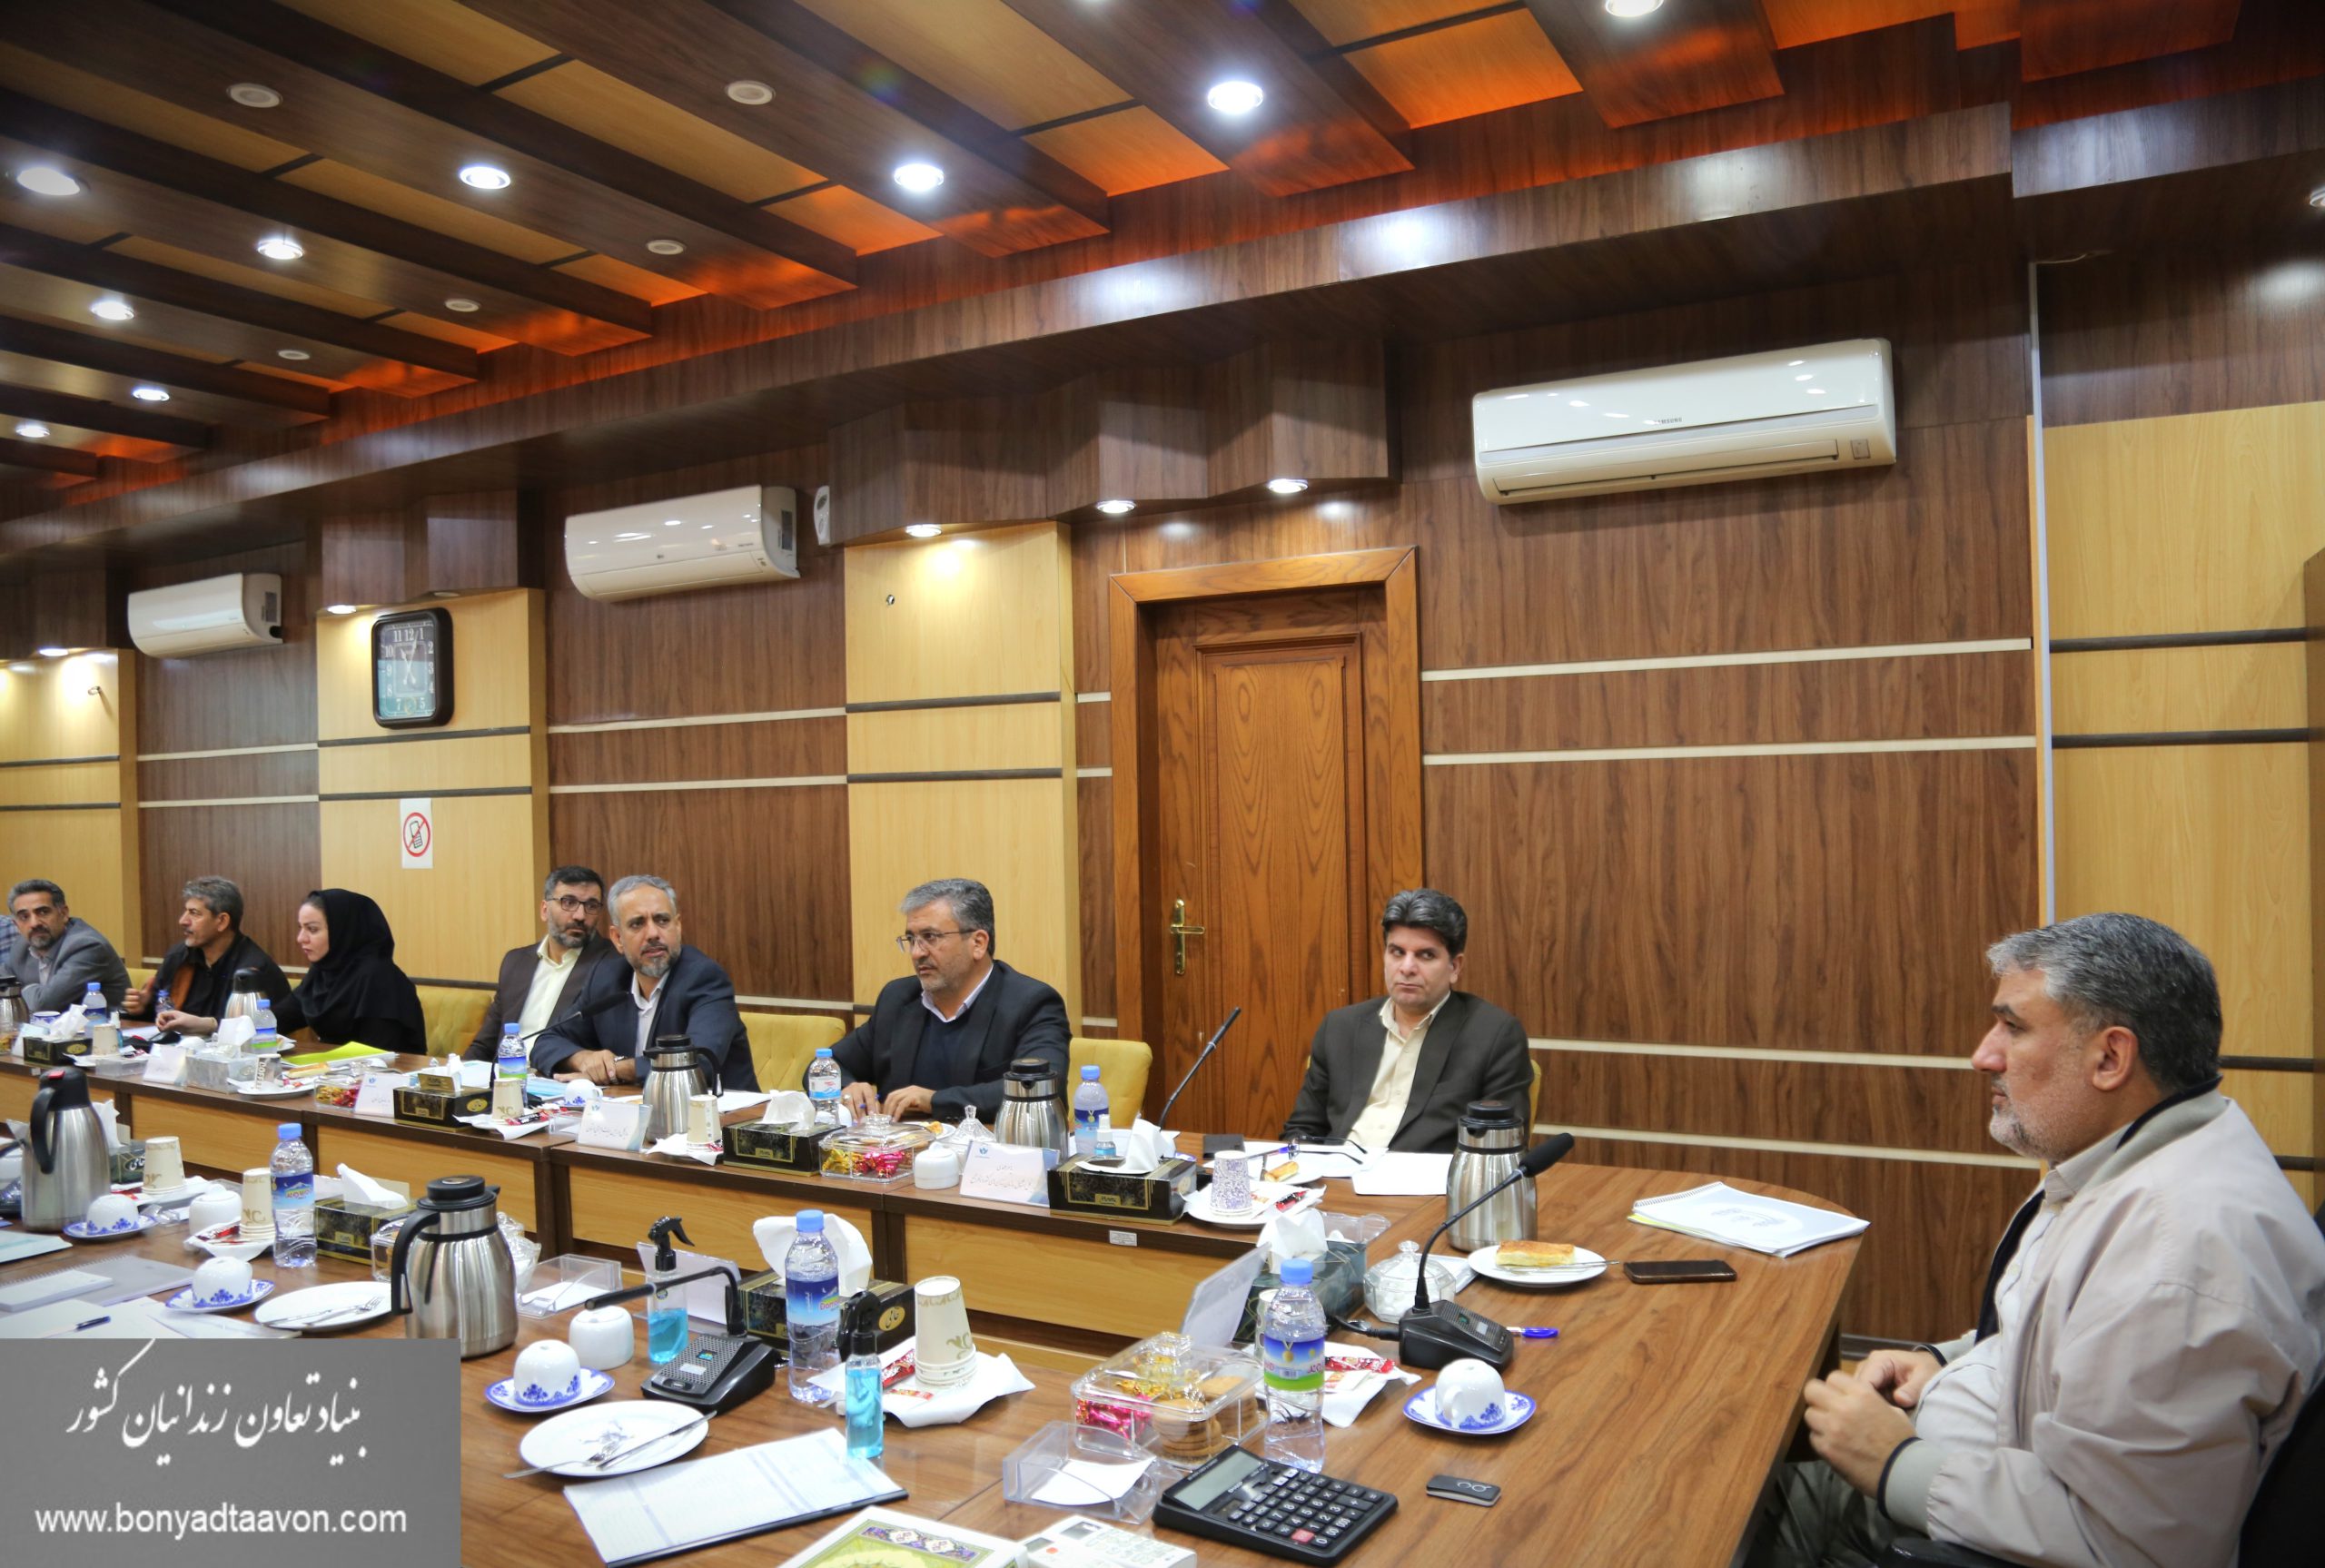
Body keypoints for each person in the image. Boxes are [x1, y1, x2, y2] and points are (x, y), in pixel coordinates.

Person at [1754, 912, 2325, 1568]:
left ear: (2110, 1057)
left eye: (2013, 1027)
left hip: (1961, 1529)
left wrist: (1893, 1465)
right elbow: (2070, 1328)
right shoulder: (2138, 1152)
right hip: (1973, 1475)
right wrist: (1947, 1362)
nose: (1983, 1055)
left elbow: (2129, 1543)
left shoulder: (2176, 1259)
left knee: (1714, 1515)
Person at [1281, 889, 1530, 1154]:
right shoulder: (1340, 1027)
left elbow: (1500, 1148)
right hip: (1336, 1174)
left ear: (1455, 967)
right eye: (1397, 952)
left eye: (1426, 955)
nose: (1407, 968)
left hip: (1426, 1179)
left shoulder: (1493, 1035)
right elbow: (1302, 1129)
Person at [826, 877, 1068, 1121]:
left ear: (978, 943)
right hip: (900, 1145)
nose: (917, 953)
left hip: (987, 1144)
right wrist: (848, 1088)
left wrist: (933, 1101)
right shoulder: (897, 999)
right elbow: (826, 1065)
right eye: (911, 939)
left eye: (930, 937)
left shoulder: (1031, 1003)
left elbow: (1040, 1086)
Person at [532, 873, 755, 1090]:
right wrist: (584, 1059)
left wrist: (614, 1069)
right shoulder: (606, 978)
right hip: (633, 1109)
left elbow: (698, 1061)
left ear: (677, 927)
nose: (653, 933)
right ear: (618, 938)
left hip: (723, 1111)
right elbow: (547, 1041)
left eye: (662, 920)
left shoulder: (704, 977)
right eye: (637, 924)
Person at [460, 865, 618, 1062]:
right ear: (545, 910)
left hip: (559, 1077)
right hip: (506, 1075)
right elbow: (486, 1044)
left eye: (591, 906)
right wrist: (459, 1075)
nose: (580, 915)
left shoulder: (612, 966)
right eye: (568, 902)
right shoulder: (516, 962)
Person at [124, 876, 291, 1031]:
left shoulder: (254, 969)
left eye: (194, 913)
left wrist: (205, 1025)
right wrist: (143, 1007)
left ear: (222, 921)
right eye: (185, 911)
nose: (182, 921)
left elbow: (259, 1028)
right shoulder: (178, 957)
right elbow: (162, 1017)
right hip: (176, 1048)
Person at [272, 889, 427, 1054]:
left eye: (312, 929)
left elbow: (376, 1053)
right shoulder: (323, 972)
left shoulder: (379, 977)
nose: (301, 938)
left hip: (389, 1068)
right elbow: (281, 1018)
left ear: (342, 930)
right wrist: (253, 1028)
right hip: (337, 1066)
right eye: (301, 928)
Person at [5, 877, 130, 1012]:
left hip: (104, 1025)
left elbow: (45, 1005)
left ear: (64, 914)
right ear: (16, 925)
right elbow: (3, 986)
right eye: (24, 917)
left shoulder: (87, 946)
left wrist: (16, 992)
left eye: (43, 912)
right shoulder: (21, 947)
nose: (34, 923)